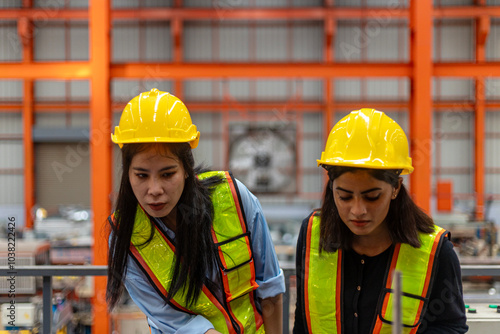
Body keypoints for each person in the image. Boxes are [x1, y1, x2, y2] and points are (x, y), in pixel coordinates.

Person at [106, 88, 285, 334]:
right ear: (128, 174)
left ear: (187, 169)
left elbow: (271, 292)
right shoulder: (126, 237)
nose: (154, 189)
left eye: (167, 174)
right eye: (141, 175)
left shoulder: (234, 198)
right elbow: (177, 323)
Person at [293, 108, 468, 334]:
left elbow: (450, 327)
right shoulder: (313, 235)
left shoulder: (435, 252)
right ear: (331, 188)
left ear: (395, 187)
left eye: (372, 196)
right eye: (344, 196)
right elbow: (303, 320)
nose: (357, 210)